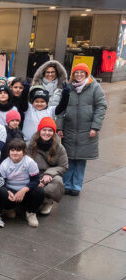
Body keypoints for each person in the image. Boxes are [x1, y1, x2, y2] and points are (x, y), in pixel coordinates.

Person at [59, 63, 107, 196]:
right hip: (69, 129)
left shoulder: (95, 87)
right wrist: (60, 127)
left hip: (87, 130)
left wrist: (95, 127)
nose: (79, 75)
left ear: (86, 74)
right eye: (76, 72)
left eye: (82, 72)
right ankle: (66, 184)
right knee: (68, 158)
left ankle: (76, 186)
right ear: (72, 75)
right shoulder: (68, 88)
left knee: (80, 159)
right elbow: (61, 108)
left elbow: (101, 107)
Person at [0, 139, 45, 227]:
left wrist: (24, 190)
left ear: (24, 152)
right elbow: (1, 183)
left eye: (18, 150)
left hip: (26, 189)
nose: (15, 153)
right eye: (12, 150)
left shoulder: (30, 162)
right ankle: (9, 209)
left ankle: (31, 213)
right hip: (11, 190)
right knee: (2, 193)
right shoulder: (4, 164)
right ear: (9, 152)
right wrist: (8, 191)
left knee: (39, 191)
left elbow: (35, 180)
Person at [28, 117, 68, 215]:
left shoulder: (59, 147)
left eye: (50, 130)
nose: (47, 133)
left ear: (53, 132)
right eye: (44, 130)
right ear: (39, 131)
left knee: (58, 181)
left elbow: (64, 166)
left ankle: (47, 202)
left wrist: (49, 174)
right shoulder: (30, 145)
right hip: (33, 173)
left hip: (50, 174)